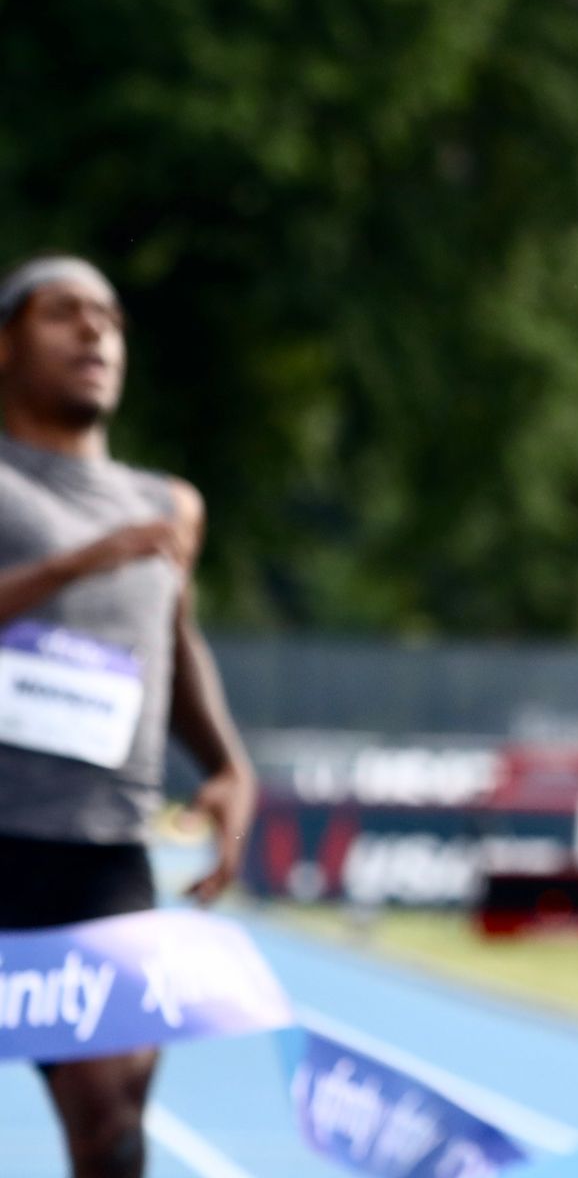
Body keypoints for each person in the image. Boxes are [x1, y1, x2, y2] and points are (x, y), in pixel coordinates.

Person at [0, 256, 257, 1178]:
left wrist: (226, 765)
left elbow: (174, 643)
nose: (94, 332)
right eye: (62, 313)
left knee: (112, 1133)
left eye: (108, 318)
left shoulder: (165, 507)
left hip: (99, 853)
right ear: (5, 344)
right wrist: (73, 566)